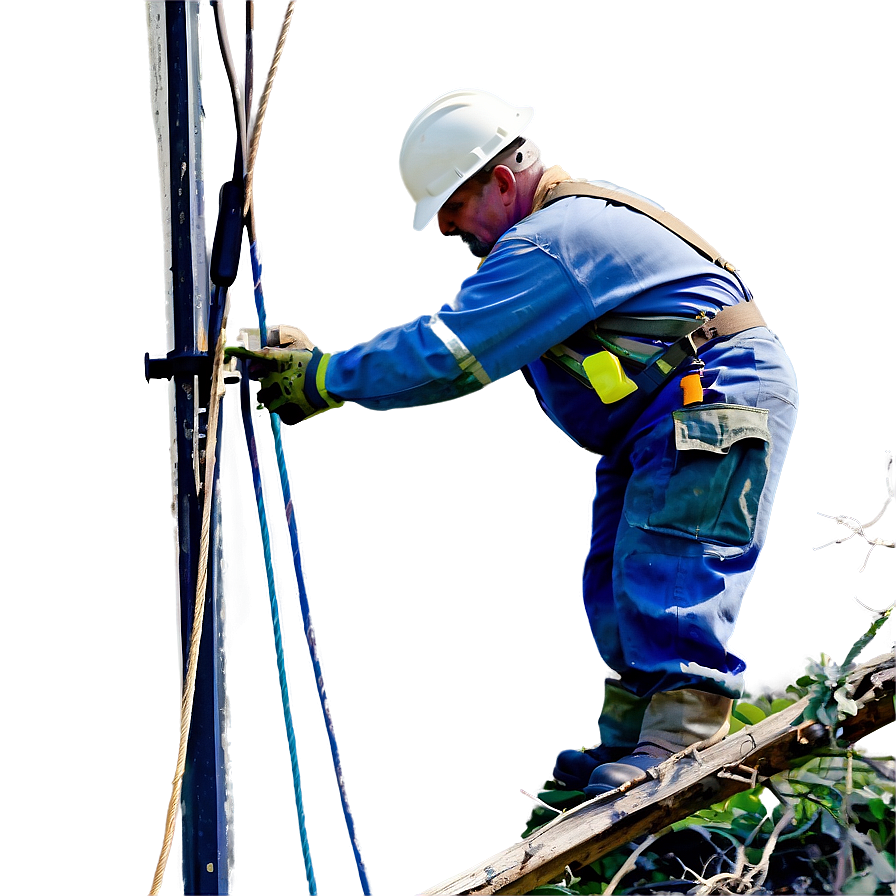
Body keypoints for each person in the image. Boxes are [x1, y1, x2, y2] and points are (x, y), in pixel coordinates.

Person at [227, 86, 799, 796]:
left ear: (500, 182)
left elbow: (451, 354)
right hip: (662, 413)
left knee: (671, 561)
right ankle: (635, 736)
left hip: (706, 396)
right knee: (616, 575)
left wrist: (324, 378)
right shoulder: (561, 233)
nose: (445, 234)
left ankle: (678, 741)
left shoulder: (554, 242)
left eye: (452, 210)